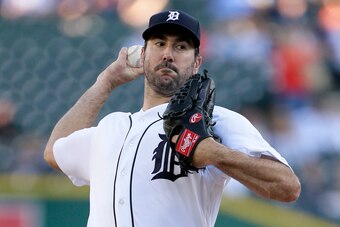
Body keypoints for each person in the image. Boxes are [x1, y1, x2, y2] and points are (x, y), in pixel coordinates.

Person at [44, 9, 301, 227]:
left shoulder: (216, 120)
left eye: (181, 46)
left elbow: (287, 186)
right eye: (159, 43)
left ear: (197, 62)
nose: (168, 53)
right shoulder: (112, 126)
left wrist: (214, 153)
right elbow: (55, 152)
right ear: (143, 54)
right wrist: (106, 82)